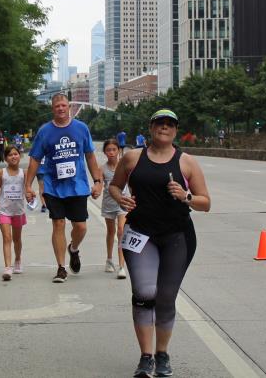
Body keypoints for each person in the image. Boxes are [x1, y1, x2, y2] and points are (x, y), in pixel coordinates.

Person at [109, 109, 211, 378]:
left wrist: (186, 196)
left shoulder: (186, 162)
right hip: (140, 233)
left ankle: (162, 354)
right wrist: (120, 198)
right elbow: (114, 186)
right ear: (151, 127)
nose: (164, 127)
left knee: (165, 298)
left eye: (169, 124)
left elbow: (205, 203)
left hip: (177, 236)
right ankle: (146, 357)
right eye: (159, 123)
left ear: (175, 130)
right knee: (144, 294)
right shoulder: (132, 157)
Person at [25, 93, 102, 284]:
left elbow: (90, 156)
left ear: (69, 107)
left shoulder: (81, 128)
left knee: (81, 227)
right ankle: (61, 268)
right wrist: (28, 185)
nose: (60, 108)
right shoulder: (45, 131)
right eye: (57, 106)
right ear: (53, 109)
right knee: (58, 223)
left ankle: (73, 249)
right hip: (53, 186)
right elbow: (35, 159)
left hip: (77, 186)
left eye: (63, 105)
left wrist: (98, 181)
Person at [0, 145, 27, 281]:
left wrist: (30, 195)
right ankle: (7, 267)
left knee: (17, 239)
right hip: (4, 210)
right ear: (5, 158)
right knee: (7, 238)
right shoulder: (1, 173)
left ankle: (18, 260)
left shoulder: (24, 173)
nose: (13, 157)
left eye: (15, 154)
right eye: (10, 155)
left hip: (18, 211)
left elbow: (27, 190)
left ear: (19, 156)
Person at [100, 138, 128, 279]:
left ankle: (121, 266)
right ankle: (109, 260)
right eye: (108, 150)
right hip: (108, 203)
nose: (111, 152)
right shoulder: (102, 169)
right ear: (105, 152)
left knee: (121, 231)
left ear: (119, 151)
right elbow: (99, 184)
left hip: (123, 203)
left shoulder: (125, 166)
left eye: (114, 150)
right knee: (111, 231)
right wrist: (95, 190)